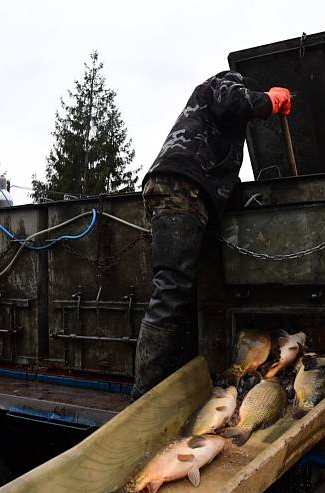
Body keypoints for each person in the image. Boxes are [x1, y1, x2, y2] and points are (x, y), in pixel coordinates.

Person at [131, 71, 292, 399]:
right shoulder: (225, 83)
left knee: (186, 293)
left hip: (187, 192)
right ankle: (143, 397)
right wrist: (269, 100)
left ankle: (180, 382)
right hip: (181, 189)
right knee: (172, 290)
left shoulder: (220, 131)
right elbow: (233, 101)